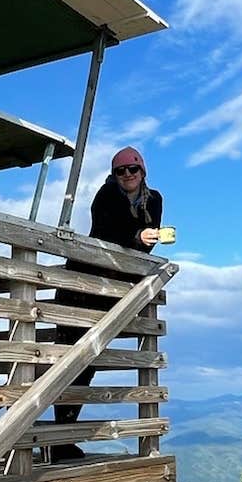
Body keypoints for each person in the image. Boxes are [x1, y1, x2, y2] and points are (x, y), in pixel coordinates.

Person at [49, 146, 163, 457]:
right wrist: (137, 238)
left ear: (143, 172)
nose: (127, 175)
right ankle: (57, 438)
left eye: (133, 169)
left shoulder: (154, 200)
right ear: (113, 175)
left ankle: (62, 438)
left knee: (89, 360)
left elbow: (143, 251)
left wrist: (146, 240)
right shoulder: (105, 195)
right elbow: (104, 233)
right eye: (120, 170)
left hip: (108, 289)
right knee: (70, 359)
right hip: (80, 284)